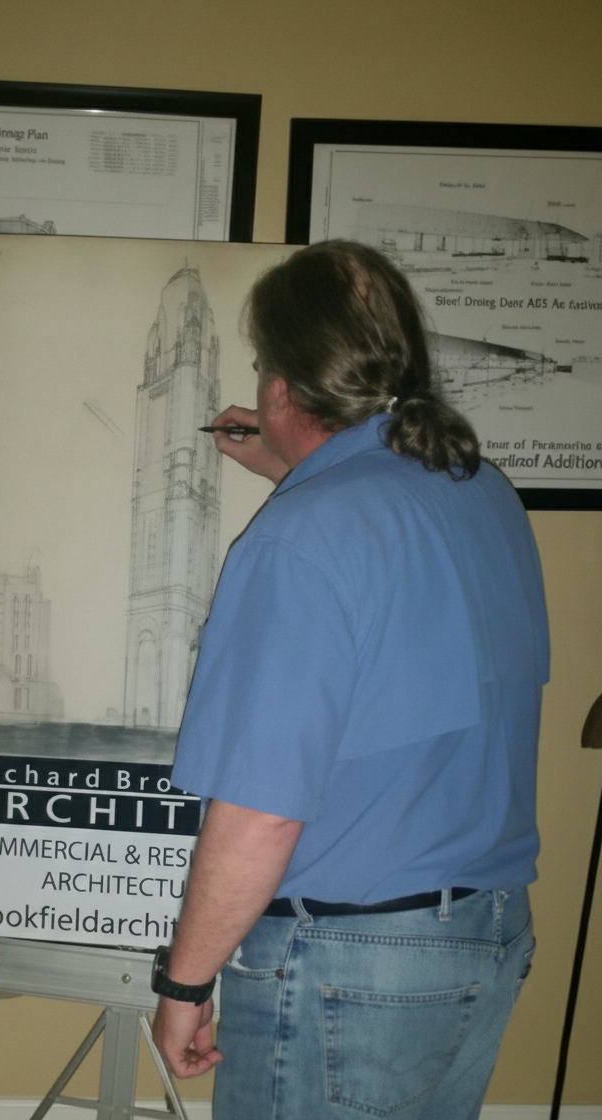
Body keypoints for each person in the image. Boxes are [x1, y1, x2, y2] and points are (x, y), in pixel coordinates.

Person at [150, 241, 549, 1120]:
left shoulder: (299, 542)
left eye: (262, 370)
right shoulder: (482, 495)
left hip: (349, 962)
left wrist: (183, 983)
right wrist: (300, 467)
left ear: (285, 388)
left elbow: (260, 812)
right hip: (480, 935)